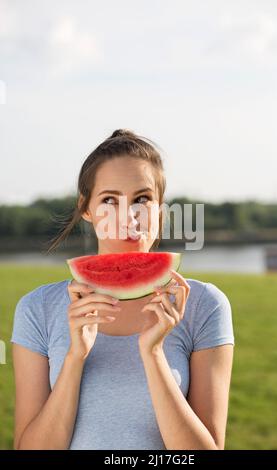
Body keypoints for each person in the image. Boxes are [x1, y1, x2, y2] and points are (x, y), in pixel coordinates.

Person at [11, 129, 235, 450]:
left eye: (142, 200)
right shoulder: (37, 309)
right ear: (86, 208)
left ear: (161, 210)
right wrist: (74, 358)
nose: (129, 217)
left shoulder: (204, 305)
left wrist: (153, 353)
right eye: (109, 201)